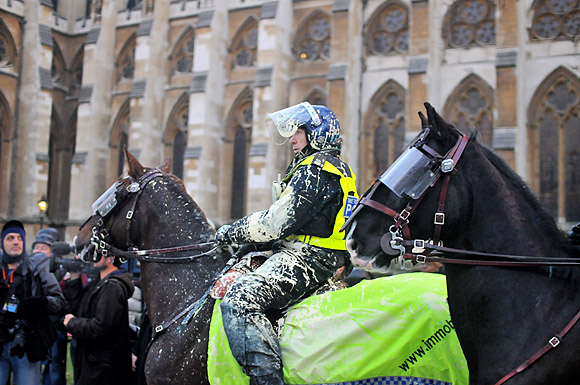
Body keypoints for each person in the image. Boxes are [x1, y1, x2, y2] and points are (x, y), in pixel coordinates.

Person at [215, 102, 358, 385]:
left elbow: (274, 225)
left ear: (317, 133)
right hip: (311, 253)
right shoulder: (321, 168)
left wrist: (230, 231)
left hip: (310, 259)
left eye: (299, 132)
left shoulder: (318, 169)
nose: (292, 139)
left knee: (240, 299)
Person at [0, 220, 66, 385]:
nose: (16, 242)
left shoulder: (37, 266)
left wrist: (40, 303)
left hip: (26, 345)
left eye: (19, 238)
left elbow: (59, 301)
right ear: (2, 243)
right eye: (10, 238)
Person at [63, 252, 135, 385]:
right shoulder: (98, 282)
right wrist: (74, 279)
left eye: (96, 254)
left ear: (110, 258)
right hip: (92, 364)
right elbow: (77, 310)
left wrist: (72, 323)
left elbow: (100, 327)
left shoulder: (112, 287)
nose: (91, 258)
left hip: (103, 370)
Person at [29, 228, 68, 385]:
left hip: (55, 326)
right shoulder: (27, 270)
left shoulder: (61, 271)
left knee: (54, 367)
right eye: (36, 247)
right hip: (35, 327)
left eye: (43, 248)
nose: (38, 251)